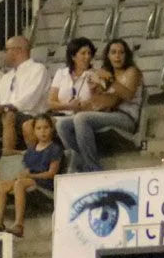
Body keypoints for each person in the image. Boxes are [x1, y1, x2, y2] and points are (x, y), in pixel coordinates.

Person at [55, 37, 143, 173]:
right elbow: (101, 102)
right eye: (113, 52)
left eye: (121, 52)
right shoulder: (106, 73)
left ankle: (92, 168)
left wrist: (109, 80)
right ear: (108, 56)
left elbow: (127, 95)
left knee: (82, 118)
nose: (117, 56)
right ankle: (84, 159)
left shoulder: (132, 72)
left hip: (126, 118)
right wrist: (94, 89)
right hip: (107, 114)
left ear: (127, 55)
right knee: (62, 125)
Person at [0, 34, 52, 154]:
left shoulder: (38, 70)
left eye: (7, 50)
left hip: (30, 115)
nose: (4, 54)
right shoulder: (7, 76)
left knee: (9, 115)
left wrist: (6, 107)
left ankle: (8, 154)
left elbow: (30, 99)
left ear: (18, 50)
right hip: (5, 113)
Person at [6, 114, 64, 235]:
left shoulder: (55, 149)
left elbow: (51, 174)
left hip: (45, 183)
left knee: (20, 184)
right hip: (31, 179)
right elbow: (27, 169)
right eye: (38, 128)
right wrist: (22, 174)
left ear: (51, 129)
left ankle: (19, 224)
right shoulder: (31, 151)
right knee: (2, 185)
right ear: (34, 131)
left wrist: (30, 176)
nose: (43, 131)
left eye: (46, 127)